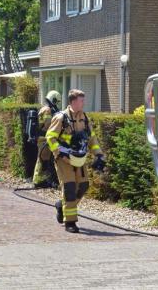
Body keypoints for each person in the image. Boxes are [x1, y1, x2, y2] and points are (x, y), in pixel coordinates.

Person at [46, 89, 105, 233]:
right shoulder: (60, 118)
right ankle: (70, 222)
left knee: (83, 186)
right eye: (81, 100)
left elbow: (91, 138)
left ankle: (62, 206)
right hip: (64, 159)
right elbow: (50, 137)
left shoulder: (84, 117)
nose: (84, 102)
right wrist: (58, 154)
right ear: (73, 102)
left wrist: (98, 154)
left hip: (79, 159)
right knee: (70, 189)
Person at [32, 90, 61, 188]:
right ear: (52, 99)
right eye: (56, 101)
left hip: (45, 138)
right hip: (43, 138)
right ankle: (37, 181)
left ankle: (43, 180)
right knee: (42, 159)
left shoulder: (47, 109)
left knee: (45, 159)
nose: (56, 104)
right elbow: (49, 125)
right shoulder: (47, 110)